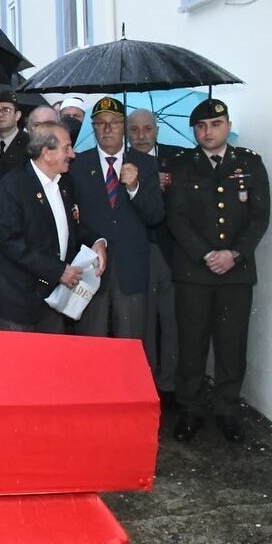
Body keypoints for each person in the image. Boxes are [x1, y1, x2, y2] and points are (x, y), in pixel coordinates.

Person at [167, 99, 269, 443]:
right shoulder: (182, 166)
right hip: (195, 272)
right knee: (192, 342)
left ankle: (227, 409)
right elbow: (176, 218)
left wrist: (235, 254)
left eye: (215, 123)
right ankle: (190, 410)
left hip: (236, 274)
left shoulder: (250, 164)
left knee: (231, 344)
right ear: (193, 131)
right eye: (201, 126)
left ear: (227, 126)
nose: (208, 131)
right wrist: (207, 254)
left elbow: (259, 217)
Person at [0, 122, 107, 334]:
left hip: (54, 298)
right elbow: (10, 242)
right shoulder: (13, 186)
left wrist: (97, 241)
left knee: (51, 364)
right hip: (19, 299)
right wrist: (58, 270)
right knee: (20, 365)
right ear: (46, 153)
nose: (72, 154)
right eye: (66, 148)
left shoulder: (64, 183)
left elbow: (72, 227)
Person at [68, 97, 163, 339]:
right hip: (91, 271)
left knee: (130, 345)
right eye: (101, 122)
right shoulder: (77, 164)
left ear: (124, 126)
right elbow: (71, 217)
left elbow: (155, 216)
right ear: (93, 126)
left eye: (114, 122)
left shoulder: (146, 163)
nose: (108, 128)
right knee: (92, 344)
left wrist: (135, 188)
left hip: (131, 270)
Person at [128, 108, 183, 395]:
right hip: (139, 250)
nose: (141, 136)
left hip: (172, 249)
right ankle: (146, 383)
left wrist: (165, 190)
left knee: (172, 320)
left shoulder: (177, 158)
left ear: (157, 130)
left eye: (147, 128)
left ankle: (170, 384)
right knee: (145, 322)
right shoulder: (122, 161)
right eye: (134, 129)